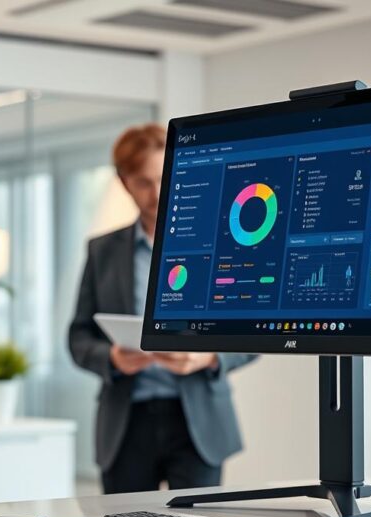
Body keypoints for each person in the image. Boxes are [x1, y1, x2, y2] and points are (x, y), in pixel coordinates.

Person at [68, 123, 257, 494]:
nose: (157, 193)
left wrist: (210, 357)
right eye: (143, 182)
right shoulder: (101, 251)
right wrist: (111, 358)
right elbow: (77, 336)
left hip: (198, 421)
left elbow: (254, 330)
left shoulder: (222, 242)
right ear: (124, 182)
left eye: (163, 177)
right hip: (126, 424)